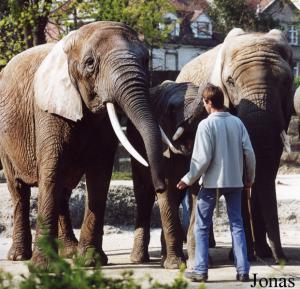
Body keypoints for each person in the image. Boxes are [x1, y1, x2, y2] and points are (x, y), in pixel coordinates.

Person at [177, 83, 255, 283]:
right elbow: (249, 154)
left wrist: (187, 179)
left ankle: (201, 270)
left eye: (204, 102)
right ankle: (243, 270)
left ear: (209, 102)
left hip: (211, 183)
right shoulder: (237, 123)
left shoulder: (206, 125)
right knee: (237, 225)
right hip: (235, 182)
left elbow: (202, 159)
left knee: (202, 226)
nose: (203, 106)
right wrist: (249, 178)